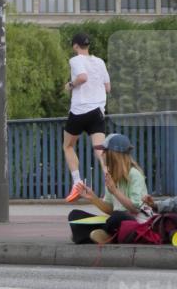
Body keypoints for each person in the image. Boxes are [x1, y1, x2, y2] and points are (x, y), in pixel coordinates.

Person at [68, 133, 149, 244]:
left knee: (117, 216)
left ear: (114, 154)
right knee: (75, 215)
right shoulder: (111, 175)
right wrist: (93, 198)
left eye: (105, 151)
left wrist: (115, 191)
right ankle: (104, 235)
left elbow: (134, 209)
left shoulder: (135, 174)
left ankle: (92, 235)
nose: (102, 154)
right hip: (115, 221)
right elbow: (110, 209)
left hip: (136, 222)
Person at [63, 32, 111, 203]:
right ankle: (109, 190)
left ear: (75, 46)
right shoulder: (99, 61)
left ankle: (77, 183)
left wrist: (70, 85)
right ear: (88, 45)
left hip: (79, 110)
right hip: (97, 111)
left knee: (68, 146)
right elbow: (107, 88)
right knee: (100, 151)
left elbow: (82, 77)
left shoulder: (75, 60)